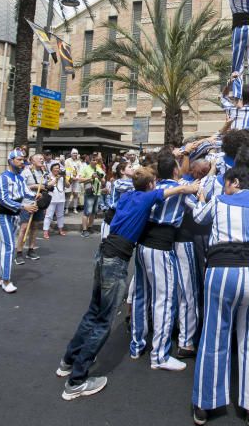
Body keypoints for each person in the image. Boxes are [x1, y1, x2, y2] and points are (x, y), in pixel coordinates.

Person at [56, 167, 199, 401]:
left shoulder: (129, 195)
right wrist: (192, 187)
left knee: (93, 312)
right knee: (104, 321)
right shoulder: (147, 197)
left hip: (103, 253)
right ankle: (77, 381)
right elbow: (177, 189)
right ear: (152, 185)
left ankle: (68, 361)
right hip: (116, 260)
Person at [191, 165, 249, 426]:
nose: (225, 188)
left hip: (222, 270)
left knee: (214, 336)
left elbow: (198, 218)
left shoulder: (219, 201)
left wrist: (201, 199)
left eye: (226, 183)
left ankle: (206, 404)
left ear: (234, 182)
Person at [130, 154, 199, 371]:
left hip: (142, 245)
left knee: (141, 294)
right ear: (176, 171)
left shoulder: (153, 187)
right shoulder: (181, 187)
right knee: (165, 299)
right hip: (161, 246)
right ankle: (159, 355)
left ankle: (136, 345)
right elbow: (197, 210)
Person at [0, 150, 37, 294]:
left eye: (23, 160)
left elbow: (25, 192)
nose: (22, 162)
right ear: (10, 161)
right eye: (19, 160)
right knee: (9, 247)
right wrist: (24, 206)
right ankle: (6, 280)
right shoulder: (3, 178)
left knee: (1, 247)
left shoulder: (20, 178)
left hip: (14, 216)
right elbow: (3, 200)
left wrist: (39, 193)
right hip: (3, 215)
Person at [15, 153, 49, 264]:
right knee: (24, 228)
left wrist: (44, 188)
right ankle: (19, 253)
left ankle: (31, 250)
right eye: (39, 158)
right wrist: (32, 187)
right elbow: (20, 188)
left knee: (34, 227)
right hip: (27, 204)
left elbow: (45, 186)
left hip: (38, 203)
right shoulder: (25, 172)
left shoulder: (43, 173)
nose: (42, 160)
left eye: (42, 159)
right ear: (32, 161)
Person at [78, 157, 105, 237]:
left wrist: (100, 178)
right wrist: (91, 178)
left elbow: (103, 181)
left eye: (96, 160)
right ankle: (84, 230)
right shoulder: (85, 168)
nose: (95, 161)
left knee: (93, 212)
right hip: (89, 192)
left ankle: (90, 227)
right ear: (89, 161)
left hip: (97, 192)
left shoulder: (99, 168)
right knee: (87, 212)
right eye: (93, 160)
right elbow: (79, 180)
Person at [43, 162, 70, 239]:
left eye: (58, 168)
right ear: (52, 169)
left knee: (60, 215)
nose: (57, 170)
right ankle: (45, 231)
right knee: (48, 216)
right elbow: (48, 185)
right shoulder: (48, 176)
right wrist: (56, 178)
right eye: (55, 168)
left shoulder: (62, 176)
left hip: (61, 199)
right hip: (51, 199)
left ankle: (60, 229)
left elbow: (68, 186)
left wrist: (64, 177)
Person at [65, 149, 82, 214]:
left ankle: (75, 208)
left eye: (76, 153)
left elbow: (81, 170)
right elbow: (67, 169)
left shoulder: (79, 161)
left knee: (76, 194)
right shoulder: (67, 161)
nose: (75, 154)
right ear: (71, 154)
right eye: (74, 153)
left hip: (77, 179)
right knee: (68, 194)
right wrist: (72, 177)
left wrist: (77, 177)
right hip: (69, 179)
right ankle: (66, 208)